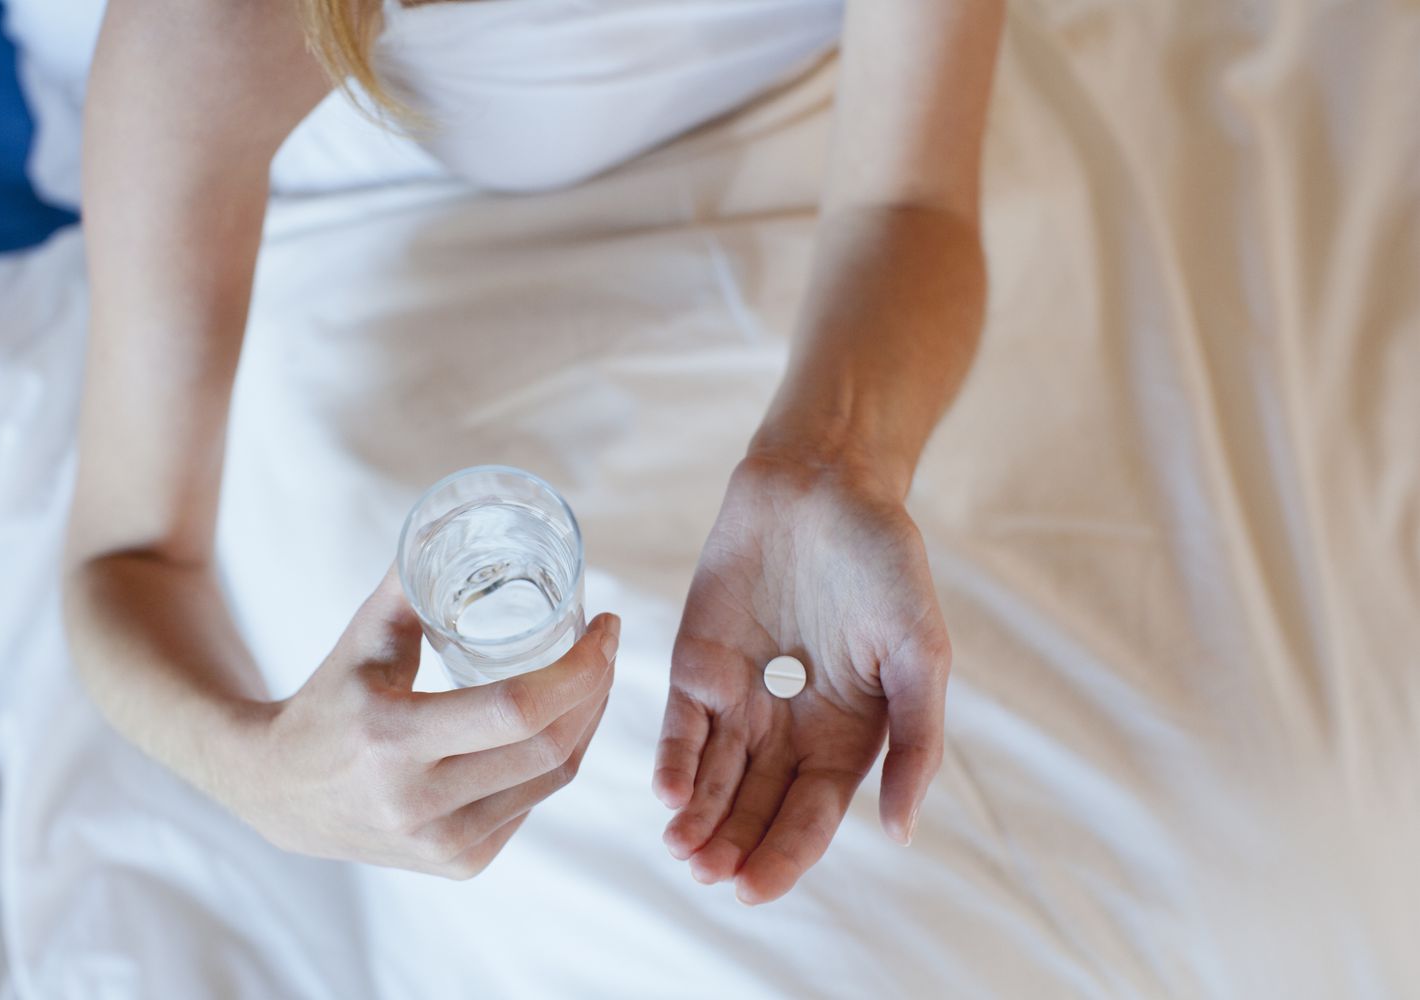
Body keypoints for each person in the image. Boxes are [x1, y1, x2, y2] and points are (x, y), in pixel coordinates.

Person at [63, 0, 1002, 906]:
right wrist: (265, 775)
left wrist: (835, 457)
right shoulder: (208, 24)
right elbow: (123, 558)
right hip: (391, 262)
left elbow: (910, 198)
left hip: (840, 254)